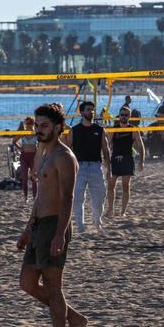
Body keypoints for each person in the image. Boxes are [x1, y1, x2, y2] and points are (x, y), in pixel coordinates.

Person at [16, 103, 87, 327]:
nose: (39, 129)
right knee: (27, 282)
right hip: (39, 226)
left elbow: (67, 198)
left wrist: (60, 233)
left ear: (58, 127)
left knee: (54, 285)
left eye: (44, 125)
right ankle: (74, 318)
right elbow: (40, 197)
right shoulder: (44, 154)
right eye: (37, 125)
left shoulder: (64, 157)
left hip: (55, 224)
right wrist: (27, 229)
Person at [64, 101, 109, 235]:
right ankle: (80, 225)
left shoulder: (99, 129)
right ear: (82, 112)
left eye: (92, 110)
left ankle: (97, 220)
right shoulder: (75, 130)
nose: (91, 112)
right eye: (88, 110)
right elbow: (67, 150)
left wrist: (109, 168)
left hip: (95, 166)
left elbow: (106, 150)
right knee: (78, 198)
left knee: (100, 195)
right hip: (79, 166)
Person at [106, 107, 145, 218]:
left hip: (127, 159)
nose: (124, 117)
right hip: (115, 160)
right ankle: (110, 211)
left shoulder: (133, 129)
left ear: (129, 116)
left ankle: (123, 212)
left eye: (126, 115)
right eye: (122, 114)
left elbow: (140, 146)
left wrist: (142, 160)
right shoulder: (114, 129)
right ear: (119, 115)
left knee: (125, 187)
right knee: (110, 186)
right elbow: (106, 146)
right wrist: (106, 162)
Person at [12, 117, 39, 202]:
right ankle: (25, 197)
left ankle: (35, 198)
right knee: (24, 177)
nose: (28, 125)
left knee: (34, 178)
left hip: (34, 157)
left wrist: (39, 151)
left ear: (33, 123)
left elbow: (43, 143)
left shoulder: (36, 134)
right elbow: (13, 141)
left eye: (30, 123)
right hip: (24, 156)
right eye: (27, 123)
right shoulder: (23, 133)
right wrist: (20, 148)